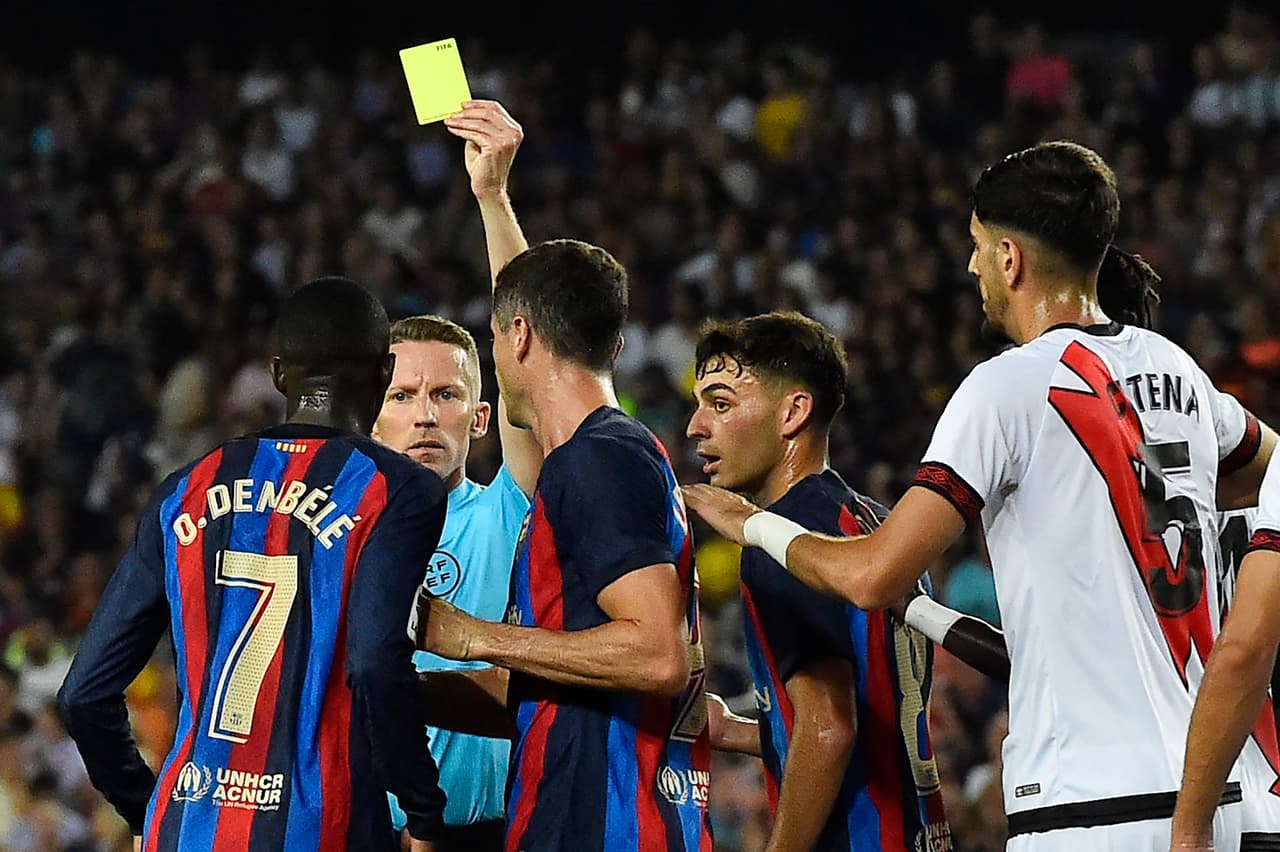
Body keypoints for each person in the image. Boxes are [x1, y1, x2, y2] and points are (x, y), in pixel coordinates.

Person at [683, 141, 1277, 851]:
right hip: (1217, 791)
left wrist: (753, 528)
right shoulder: (1177, 372)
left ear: (1009, 257)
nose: (969, 267)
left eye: (974, 246)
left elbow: (871, 576)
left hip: (1089, 804)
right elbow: (1266, 467)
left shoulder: (1006, 388)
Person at [57, 277, 448, 852]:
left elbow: (83, 693)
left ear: (278, 374)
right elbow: (372, 665)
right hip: (322, 826)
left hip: (187, 822)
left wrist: (146, 807)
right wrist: (423, 810)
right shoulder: (398, 490)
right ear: (384, 373)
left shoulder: (185, 488)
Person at [417, 238, 714, 850]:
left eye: (494, 341)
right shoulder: (600, 458)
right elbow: (556, 682)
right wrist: (397, 689)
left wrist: (473, 636)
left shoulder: (596, 459)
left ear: (519, 335)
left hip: (604, 821)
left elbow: (659, 654)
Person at [685, 310, 952, 850]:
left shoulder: (777, 547)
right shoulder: (877, 527)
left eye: (721, 403)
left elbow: (830, 728)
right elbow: (870, 707)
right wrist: (749, 730)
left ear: (793, 412)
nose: (696, 426)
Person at [378, 99, 537, 852]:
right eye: (402, 396)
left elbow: (528, 361)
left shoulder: (506, 509)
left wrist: (493, 199)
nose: (424, 415)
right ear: (371, 420)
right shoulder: (339, 526)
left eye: (447, 395)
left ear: (481, 419)